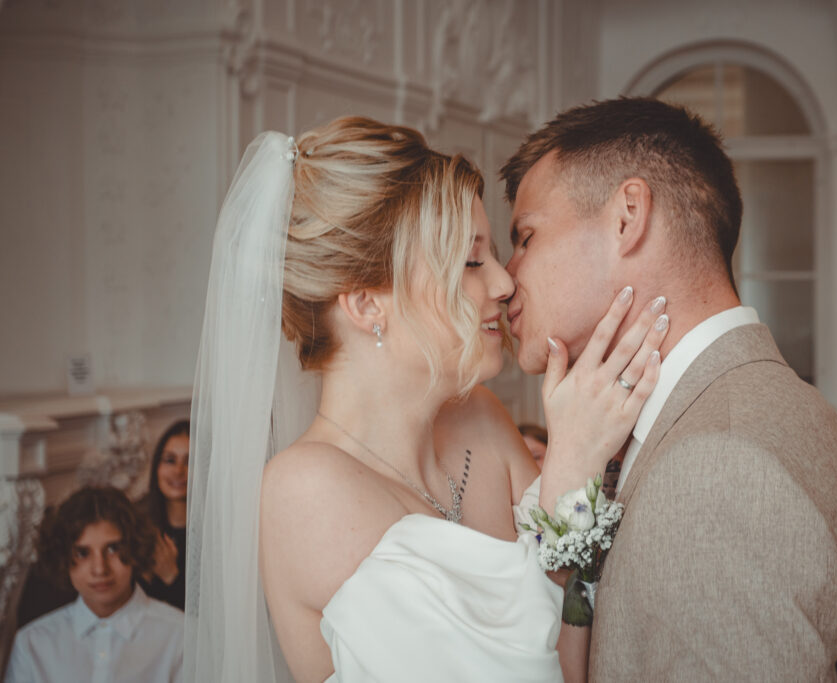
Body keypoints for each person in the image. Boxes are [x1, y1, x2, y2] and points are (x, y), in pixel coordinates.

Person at [185, 117, 667, 682]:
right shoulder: (303, 491)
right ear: (366, 304)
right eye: (469, 262)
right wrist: (571, 470)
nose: (505, 284)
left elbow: (592, 602)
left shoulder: (481, 418)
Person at [500, 97, 837, 681]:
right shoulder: (776, 403)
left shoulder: (716, 470)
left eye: (525, 237)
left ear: (627, 216)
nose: (507, 279)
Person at [5, 487, 184, 683]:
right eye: (82, 553)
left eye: (113, 549)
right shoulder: (31, 643)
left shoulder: (180, 635)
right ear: (63, 557)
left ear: (135, 547)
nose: (100, 569)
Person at [137, 419, 189, 609]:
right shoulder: (138, 526)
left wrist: (172, 576)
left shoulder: (219, 534)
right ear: (157, 467)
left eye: (189, 462)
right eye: (170, 460)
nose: (178, 471)